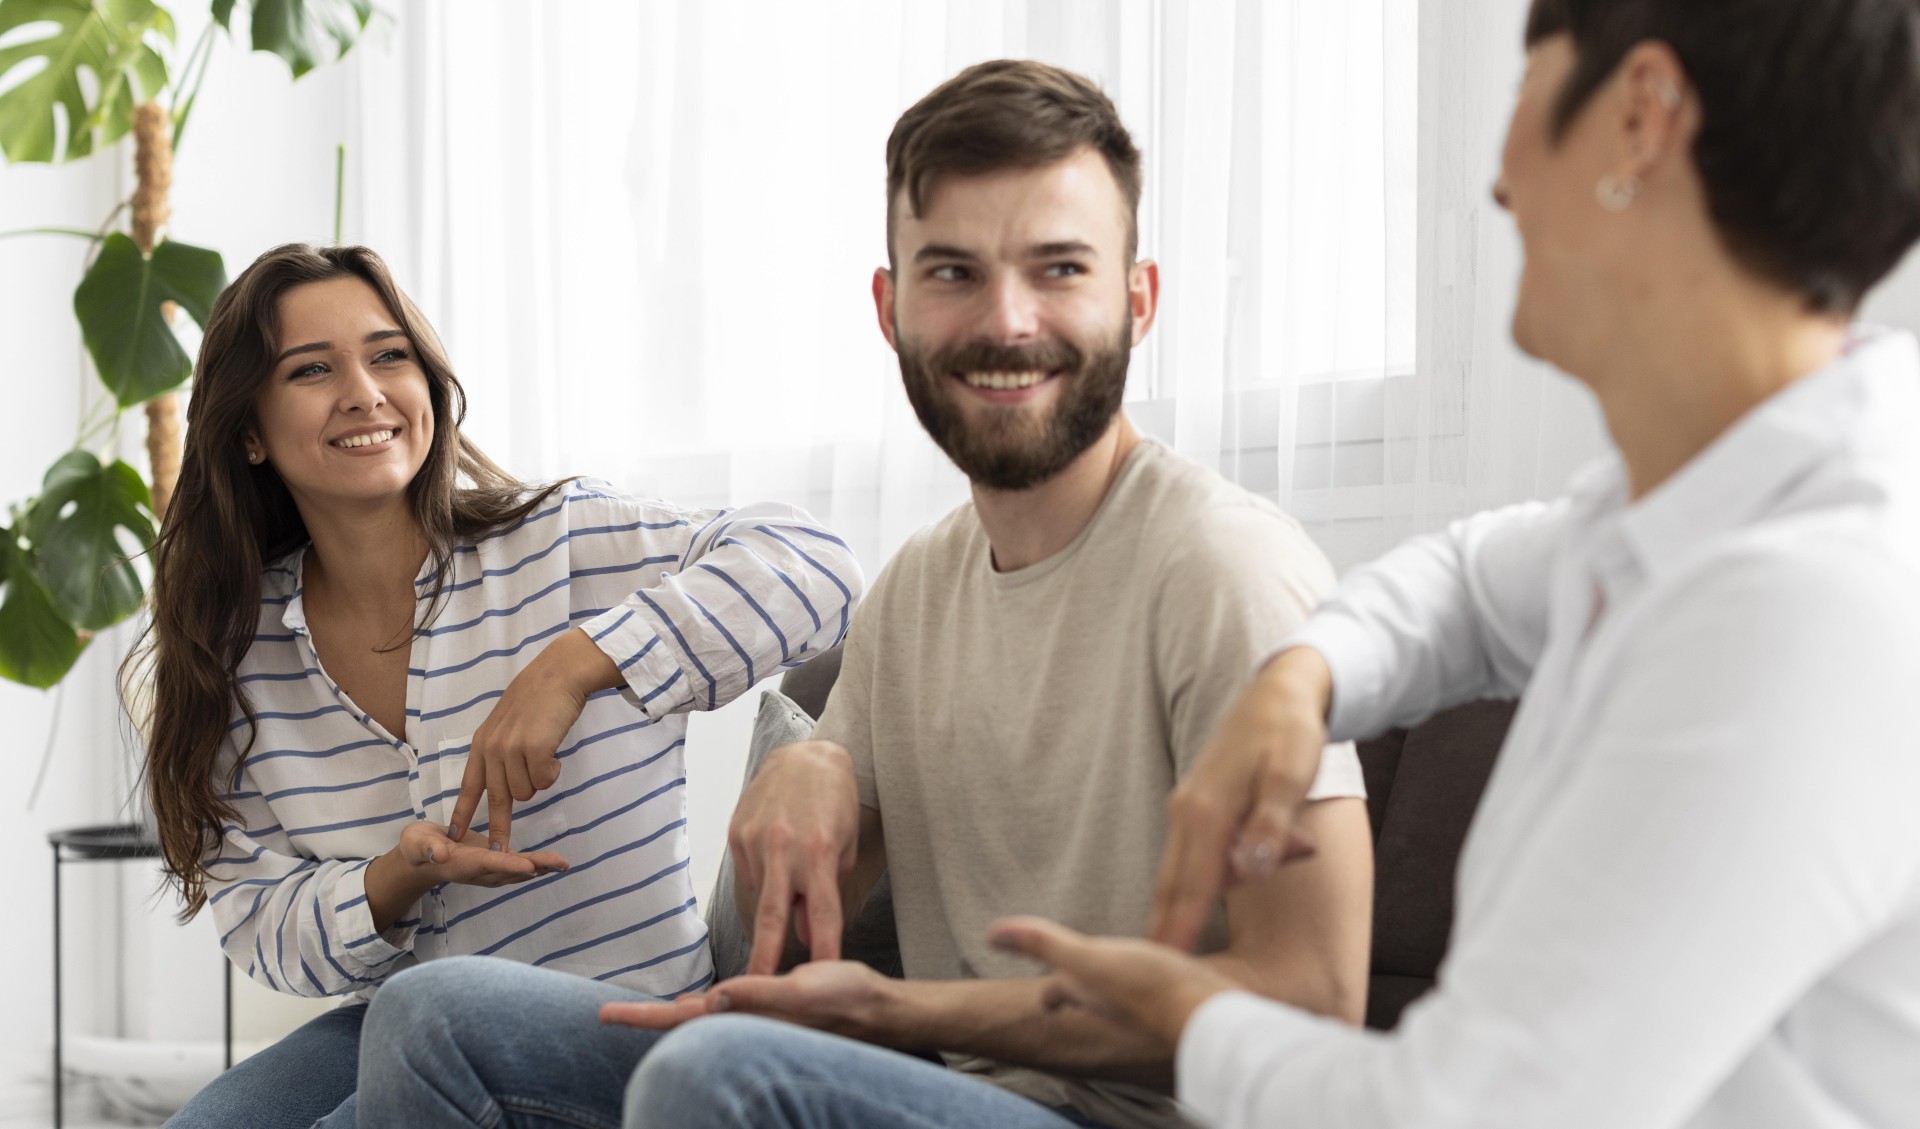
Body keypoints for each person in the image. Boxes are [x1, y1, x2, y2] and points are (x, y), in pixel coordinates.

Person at [348, 60, 1372, 1129]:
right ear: (891, 309)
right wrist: (811, 760)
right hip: (948, 1097)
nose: (1007, 320)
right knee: (433, 1016)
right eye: (953, 273)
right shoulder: (920, 585)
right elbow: (802, 930)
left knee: (717, 1078)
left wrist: (908, 1009)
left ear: (1139, 299)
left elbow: (1315, 1001)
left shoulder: (1224, 571)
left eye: (1060, 267)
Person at [988, 2, 1920, 1127]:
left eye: (1530, 84)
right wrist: (1306, 677)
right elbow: (1473, 584)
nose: (1499, 182)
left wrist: (1190, 1013)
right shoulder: (1702, 493)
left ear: (1638, 118)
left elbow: (1457, 1114)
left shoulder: (1806, 604)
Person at [132, 243, 861, 1129]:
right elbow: (261, 923)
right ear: (248, 428)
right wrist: (394, 877)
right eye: (312, 369)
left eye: (388, 354)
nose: (363, 391)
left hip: (619, 1027)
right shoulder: (243, 658)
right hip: (408, 1030)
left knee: (397, 1051)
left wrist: (576, 662)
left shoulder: (561, 542)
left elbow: (818, 566)